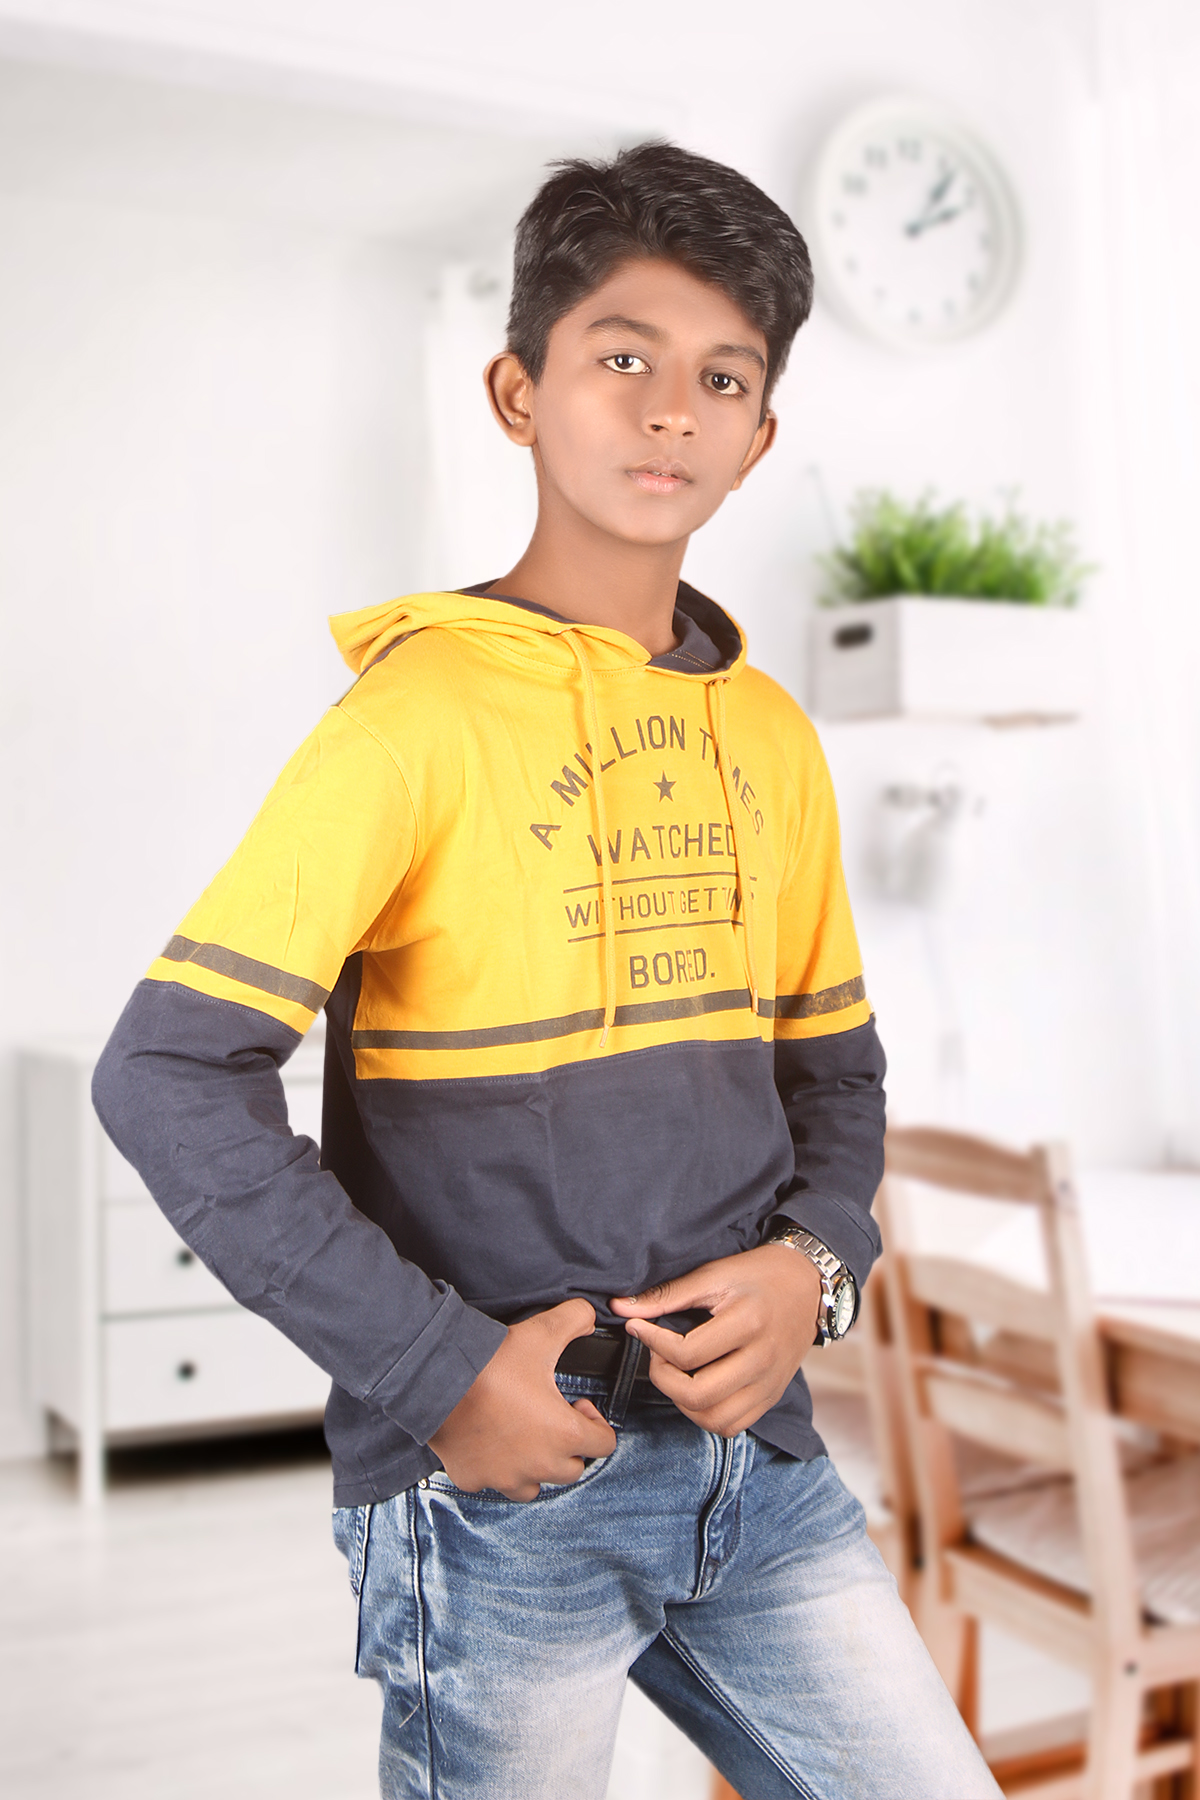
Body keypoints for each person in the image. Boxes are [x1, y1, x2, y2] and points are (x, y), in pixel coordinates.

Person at [93, 142, 1000, 1799]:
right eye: (622, 357)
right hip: (495, 1495)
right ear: (519, 392)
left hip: (755, 1466)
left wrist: (816, 1268)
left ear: (760, 435)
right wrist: (442, 1375)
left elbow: (836, 1077)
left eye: (722, 377)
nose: (671, 411)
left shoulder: (773, 736)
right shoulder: (413, 719)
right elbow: (164, 1076)